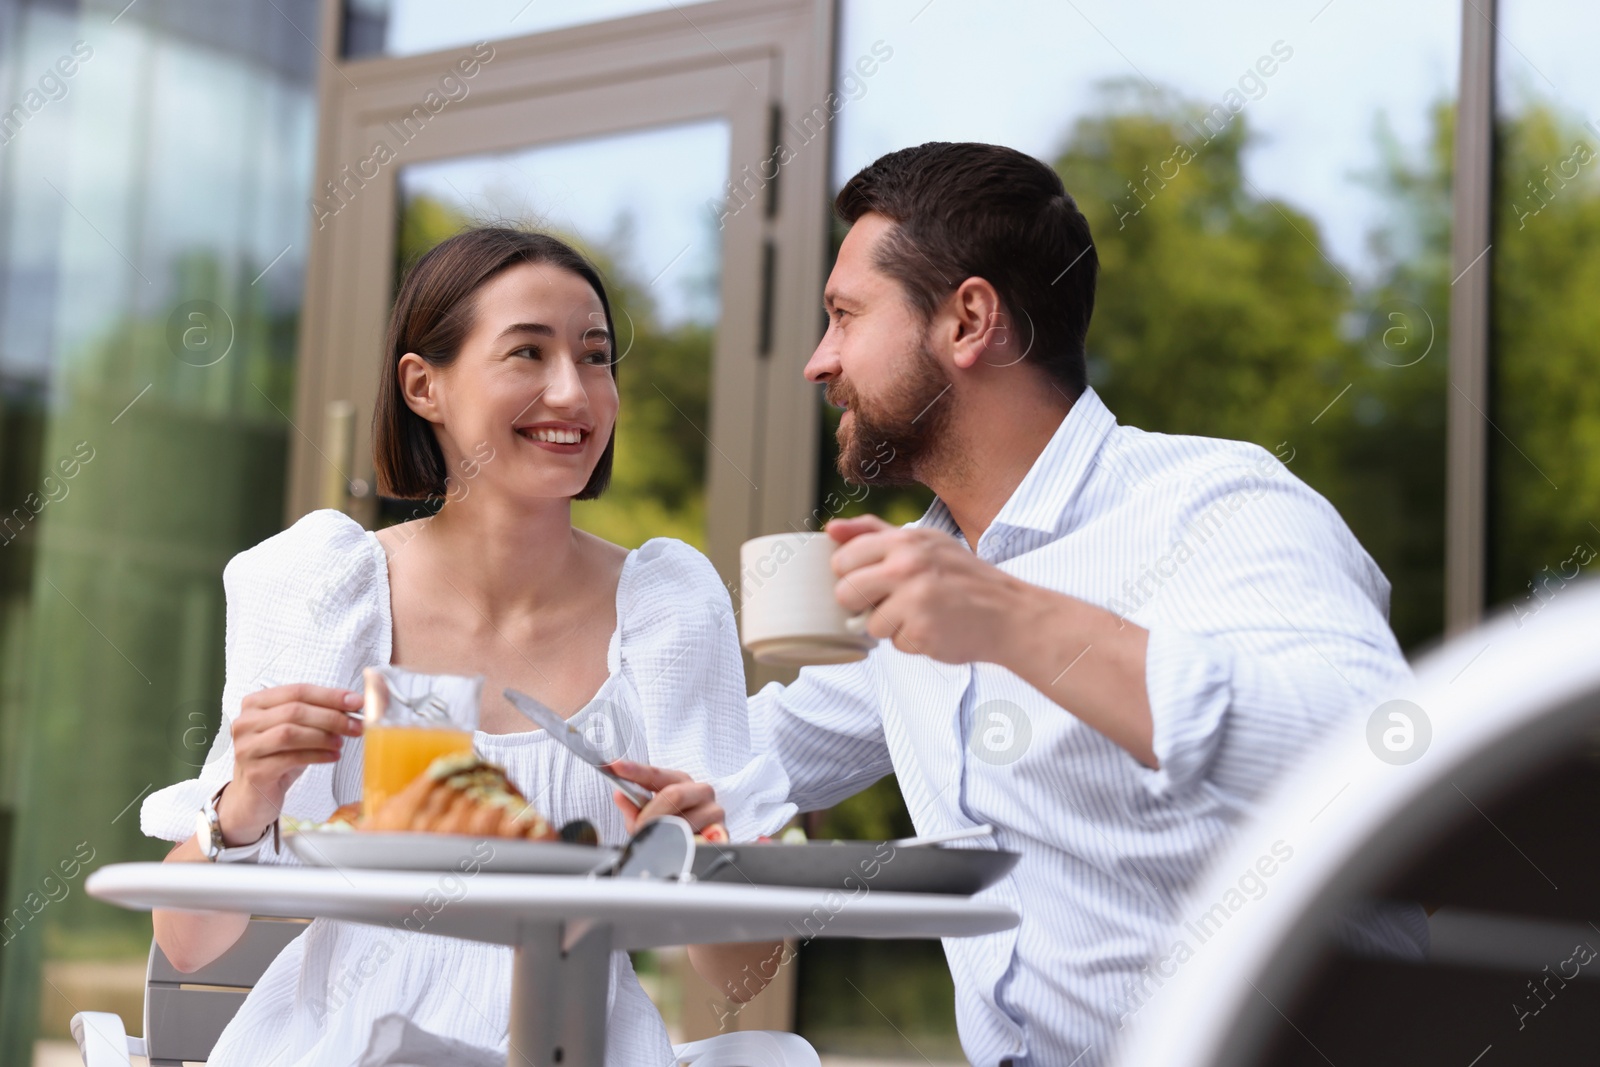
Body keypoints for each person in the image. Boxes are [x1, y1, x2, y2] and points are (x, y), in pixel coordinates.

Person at [611, 142, 1414, 1066]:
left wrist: (1011, 617)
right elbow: (745, 759)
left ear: (969, 321)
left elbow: (1372, 751)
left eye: (843, 316)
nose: (817, 362)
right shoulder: (929, 579)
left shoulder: (1218, 504)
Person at [140, 227, 787, 1066]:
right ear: (423, 385)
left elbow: (743, 975)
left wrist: (711, 862)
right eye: (528, 352)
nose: (575, 391)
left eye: (596, 357)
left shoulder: (667, 607)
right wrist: (247, 797)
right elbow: (189, 944)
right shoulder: (327, 588)